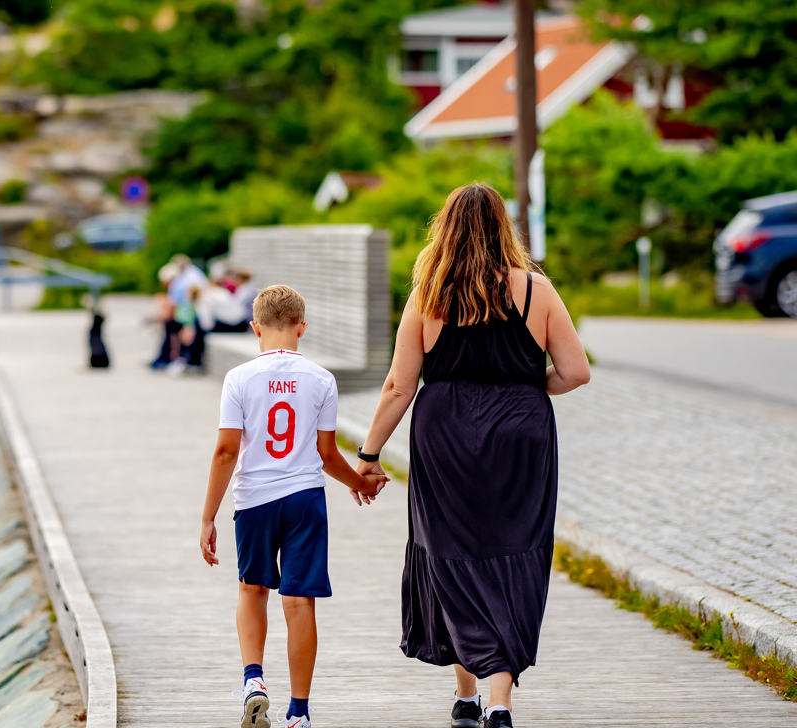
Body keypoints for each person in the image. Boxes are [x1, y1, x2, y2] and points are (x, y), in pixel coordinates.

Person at [354, 183, 591, 728]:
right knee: (515, 552)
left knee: (448, 552)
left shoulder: (428, 294)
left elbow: (397, 386)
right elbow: (576, 372)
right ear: (503, 227)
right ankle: (500, 702)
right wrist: (525, 388)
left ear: (447, 230)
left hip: (445, 436)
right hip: (522, 436)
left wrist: (369, 455)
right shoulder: (538, 291)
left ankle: (466, 698)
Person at [200, 285, 387, 728]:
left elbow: (226, 450)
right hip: (305, 498)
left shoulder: (239, 379)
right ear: (302, 327)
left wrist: (208, 517)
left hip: (254, 500)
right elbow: (326, 453)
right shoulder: (321, 379)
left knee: (252, 589)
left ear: (255, 328)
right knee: (300, 602)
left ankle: (254, 680)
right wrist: (359, 482)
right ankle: (299, 712)